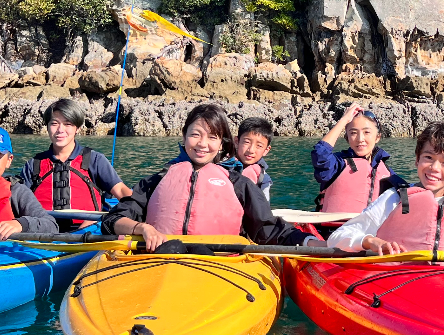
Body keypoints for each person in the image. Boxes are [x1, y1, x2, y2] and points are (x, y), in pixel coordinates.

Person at [103, 103, 316, 251]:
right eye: (195, 135)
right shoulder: (157, 181)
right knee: (174, 247)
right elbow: (112, 219)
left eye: (212, 137)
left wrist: (313, 243)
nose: (203, 144)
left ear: (221, 144)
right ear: (184, 135)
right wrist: (143, 228)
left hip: (217, 262)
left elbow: (269, 229)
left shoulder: (239, 184)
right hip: (161, 258)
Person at [327, 122, 444, 255]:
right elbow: (338, 237)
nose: (434, 168)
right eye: (428, 158)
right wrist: (370, 241)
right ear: (417, 160)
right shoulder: (394, 198)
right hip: (394, 280)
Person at [18, 99, 132, 222]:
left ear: (77, 128)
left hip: (89, 231)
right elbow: (18, 201)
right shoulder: (33, 165)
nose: (60, 130)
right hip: (41, 231)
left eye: (68, 124)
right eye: (54, 123)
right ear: (47, 126)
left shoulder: (95, 160)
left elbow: (120, 190)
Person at [312, 104, 402, 212]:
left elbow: (407, 196)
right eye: (353, 133)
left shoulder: (386, 171)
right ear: (347, 138)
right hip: (335, 228)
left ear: (377, 137)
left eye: (367, 132)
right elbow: (320, 154)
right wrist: (344, 120)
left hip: (370, 228)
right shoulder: (338, 165)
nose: (360, 139)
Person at [230, 116, 274, 201]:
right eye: (247, 142)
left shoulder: (263, 179)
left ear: (266, 150)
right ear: (236, 142)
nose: (251, 150)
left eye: (259, 146)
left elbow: (264, 208)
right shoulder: (222, 164)